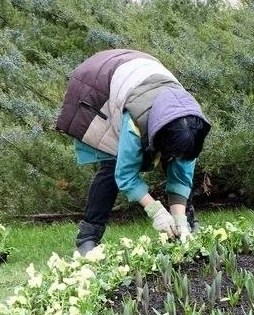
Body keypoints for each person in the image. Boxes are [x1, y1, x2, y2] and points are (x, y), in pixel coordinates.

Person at [55, 49, 211, 256]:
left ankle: (186, 226)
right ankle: (88, 238)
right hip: (98, 85)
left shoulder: (190, 127)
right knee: (112, 165)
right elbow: (126, 175)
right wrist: (155, 212)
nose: (173, 159)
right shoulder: (135, 124)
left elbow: (181, 174)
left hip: (140, 76)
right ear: (158, 138)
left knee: (178, 159)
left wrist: (179, 219)